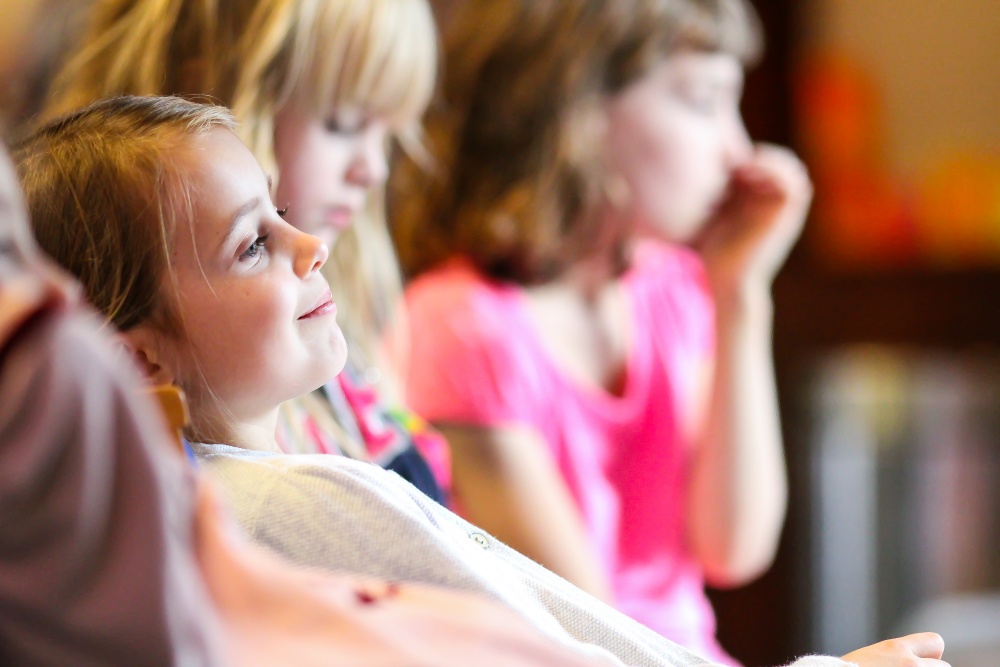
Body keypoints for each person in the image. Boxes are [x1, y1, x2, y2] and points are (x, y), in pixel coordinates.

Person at [14, 93, 947, 667]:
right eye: (254, 242)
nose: (312, 243)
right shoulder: (282, 505)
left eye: (284, 212)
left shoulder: (235, 503)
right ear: (132, 354)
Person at [389, 0, 809, 660]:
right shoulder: (464, 328)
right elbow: (585, 630)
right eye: (703, 101)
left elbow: (735, 545)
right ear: (576, 108)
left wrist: (741, 295)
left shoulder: (673, 291)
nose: (737, 150)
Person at [44, 0, 449, 500]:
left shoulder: (326, 338)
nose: (375, 169)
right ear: (212, 85)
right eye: (343, 124)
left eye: (385, 133)